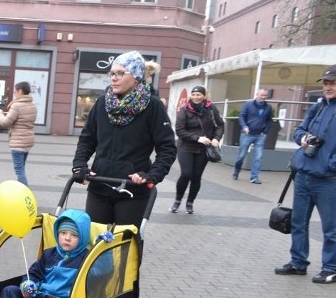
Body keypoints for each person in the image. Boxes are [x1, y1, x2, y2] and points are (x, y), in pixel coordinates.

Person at [72, 51, 176, 226]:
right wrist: (79, 166)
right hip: (100, 185)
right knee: (95, 242)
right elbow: (87, 140)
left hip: (133, 190)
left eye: (120, 73)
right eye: (112, 73)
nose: (114, 78)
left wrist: (152, 175)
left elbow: (167, 148)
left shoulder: (153, 106)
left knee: (128, 246)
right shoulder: (102, 103)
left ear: (135, 77)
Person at [274, 65, 336, 285]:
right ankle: (298, 263)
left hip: (328, 180)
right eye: (326, 83)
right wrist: (302, 139)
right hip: (304, 174)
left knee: (331, 228)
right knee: (299, 222)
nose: (328, 87)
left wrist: (331, 165)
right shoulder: (318, 107)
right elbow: (299, 130)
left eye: (332, 83)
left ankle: (331, 268)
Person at [171, 85, 225, 214]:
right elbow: (179, 130)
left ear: (204, 96)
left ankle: (190, 202)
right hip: (186, 147)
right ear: (191, 96)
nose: (196, 97)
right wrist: (197, 138)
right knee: (186, 174)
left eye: (199, 95)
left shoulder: (211, 109)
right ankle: (177, 200)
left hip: (203, 149)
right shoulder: (184, 110)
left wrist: (217, 138)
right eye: (194, 95)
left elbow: (220, 125)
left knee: (196, 177)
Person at [0, 81, 37, 186]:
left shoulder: (17, 105)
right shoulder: (32, 105)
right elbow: (23, 119)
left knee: (19, 170)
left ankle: (25, 193)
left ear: (20, 91)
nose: (14, 94)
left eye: (15, 92)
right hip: (27, 142)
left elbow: (5, 123)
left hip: (18, 142)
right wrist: (9, 114)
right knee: (22, 168)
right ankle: (21, 190)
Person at [233, 88, 274, 184]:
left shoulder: (268, 107)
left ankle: (254, 177)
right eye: (261, 95)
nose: (263, 97)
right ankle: (236, 171)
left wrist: (265, 131)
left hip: (260, 135)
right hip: (247, 134)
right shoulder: (248, 104)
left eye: (265, 95)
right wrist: (244, 126)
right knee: (241, 156)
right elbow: (242, 116)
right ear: (257, 94)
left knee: (258, 157)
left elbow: (269, 120)